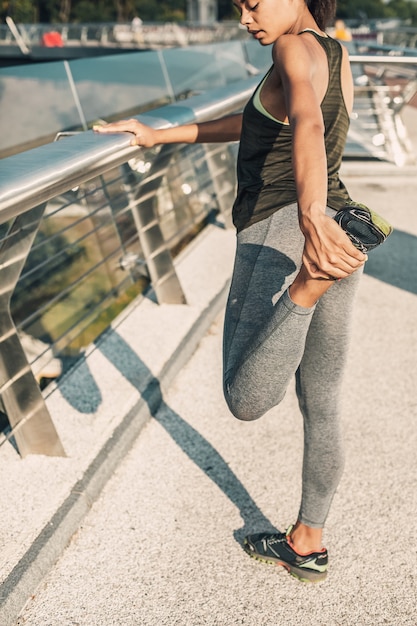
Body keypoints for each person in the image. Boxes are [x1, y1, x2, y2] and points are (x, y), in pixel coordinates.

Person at [94, 0, 377, 583]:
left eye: (253, 2)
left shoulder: (289, 45)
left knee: (245, 396)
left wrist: (307, 220)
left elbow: (307, 122)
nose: (244, 16)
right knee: (322, 401)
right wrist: (159, 135)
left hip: (292, 231)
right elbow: (265, 123)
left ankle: (305, 287)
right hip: (342, 229)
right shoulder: (333, 50)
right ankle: (307, 541)